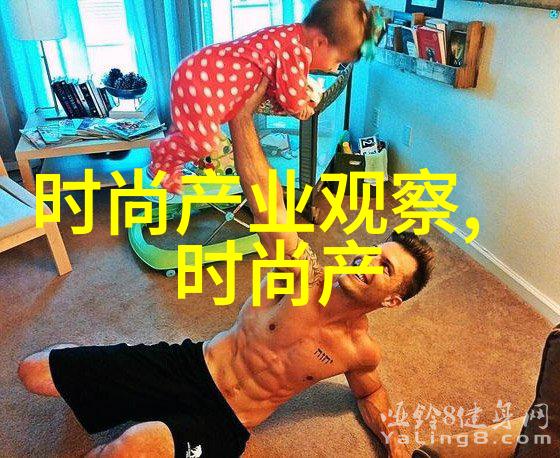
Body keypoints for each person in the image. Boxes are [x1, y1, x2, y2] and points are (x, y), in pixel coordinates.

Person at [18, 79, 435, 458]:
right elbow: (263, 195)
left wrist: (394, 442)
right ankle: (95, 362)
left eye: (384, 267)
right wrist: (242, 114)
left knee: (129, 448)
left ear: (393, 300)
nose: (366, 261)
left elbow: (371, 393)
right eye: (372, 252)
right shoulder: (302, 275)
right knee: (34, 373)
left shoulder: (360, 352)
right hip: (192, 366)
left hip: (226, 421)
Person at [149, 0, 372, 193]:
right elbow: (291, 102)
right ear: (320, 42)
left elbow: (277, 85)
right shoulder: (296, 51)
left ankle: (173, 152)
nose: (335, 68)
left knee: (193, 135)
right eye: (337, 60)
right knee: (203, 143)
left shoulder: (290, 36)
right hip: (200, 79)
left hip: (196, 71)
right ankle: (162, 157)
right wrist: (303, 107)